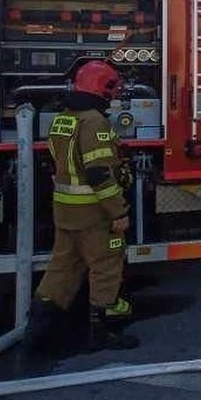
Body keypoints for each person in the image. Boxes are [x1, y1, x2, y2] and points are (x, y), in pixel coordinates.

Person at [25, 60, 138, 353]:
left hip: (65, 211)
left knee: (62, 267)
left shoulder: (63, 119)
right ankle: (100, 332)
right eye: (111, 90)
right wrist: (119, 212)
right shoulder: (95, 122)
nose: (113, 97)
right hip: (94, 213)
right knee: (106, 265)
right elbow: (99, 173)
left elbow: (55, 161)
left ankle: (36, 329)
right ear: (103, 89)